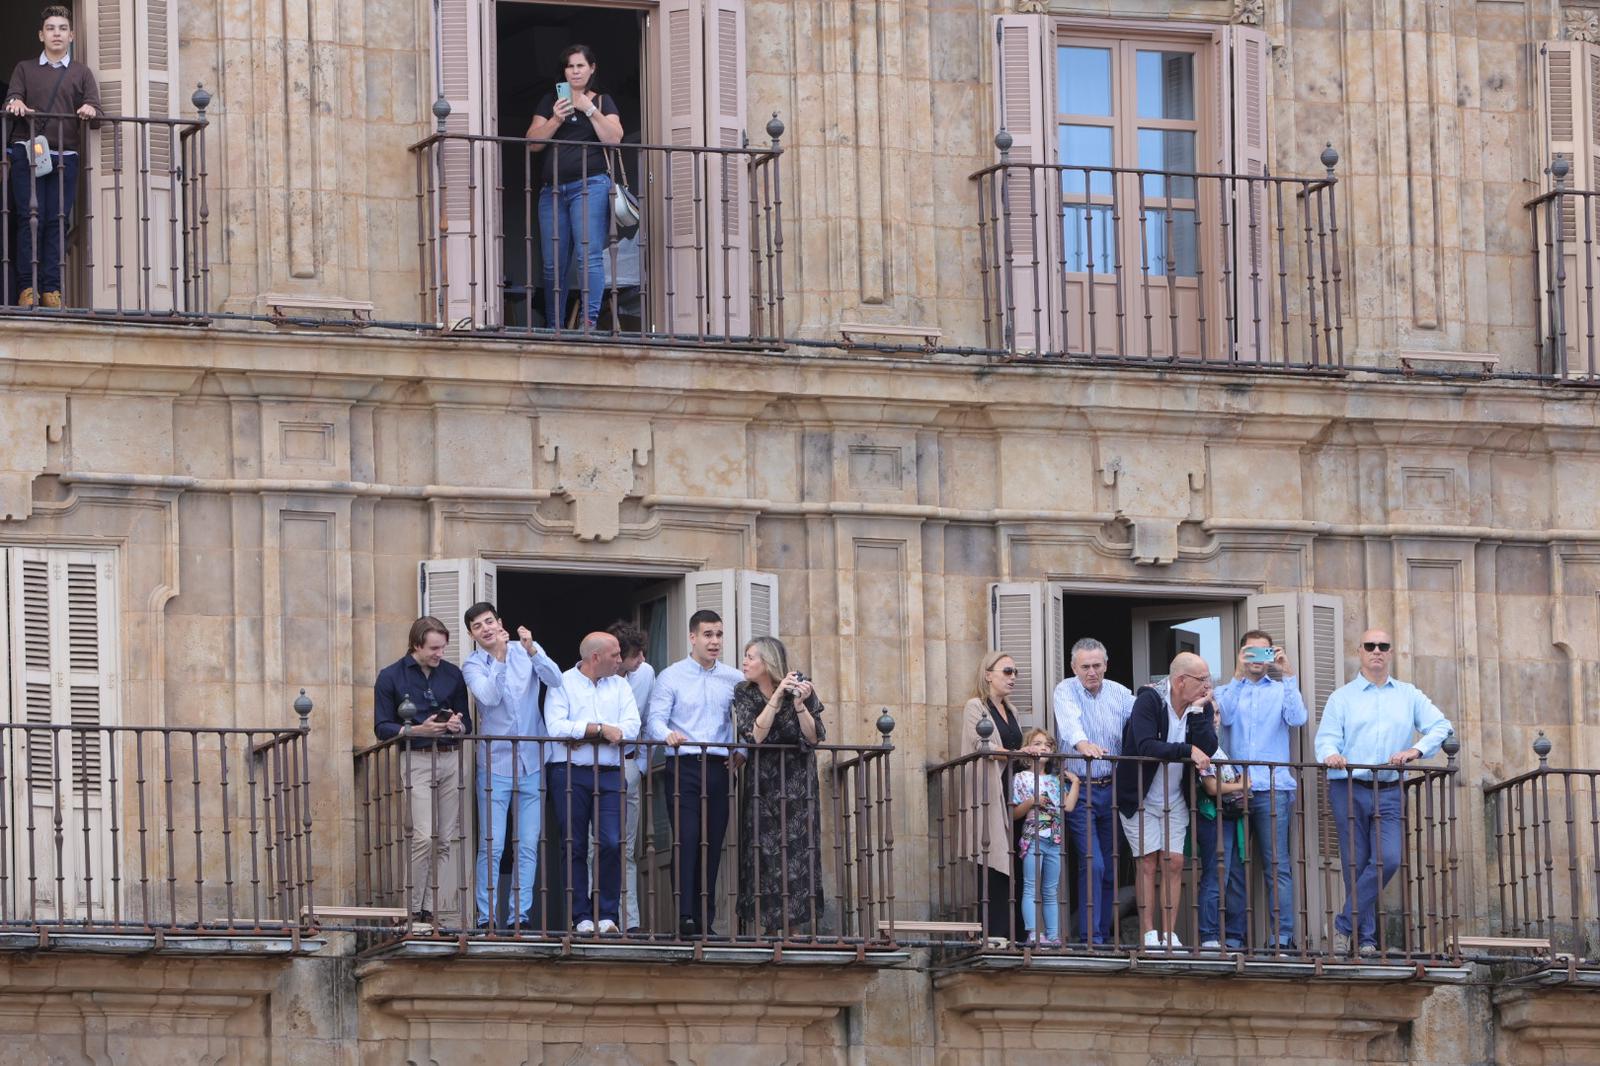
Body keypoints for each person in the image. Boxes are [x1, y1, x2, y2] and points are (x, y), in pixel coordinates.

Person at [1314, 627, 1452, 957]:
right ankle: (1366, 940)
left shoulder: (1408, 695)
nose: (1376, 650)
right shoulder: (1342, 697)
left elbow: (1441, 726)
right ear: (1360, 652)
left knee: (1387, 859)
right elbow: (1326, 739)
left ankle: (1343, 925)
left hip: (1390, 788)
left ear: (1390, 653)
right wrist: (1331, 754)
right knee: (1356, 864)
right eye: (1370, 646)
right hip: (1348, 786)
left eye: (1383, 646)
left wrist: (1414, 752)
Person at [461, 602, 562, 930]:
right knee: (493, 845)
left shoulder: (527, 650)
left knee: (528, 844)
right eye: (478, 626)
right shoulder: (473, 664)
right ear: (473, 635)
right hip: (495, 766)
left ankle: (519, 915)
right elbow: (489, 698)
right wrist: (501, 659)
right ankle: (486, 916)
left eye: (489, 621)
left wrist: (532, 650)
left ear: (500, 622)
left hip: (532, 762)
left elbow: (555, 680)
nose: (486, 628)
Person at [645, 609, 743, 937]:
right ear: (692, 637)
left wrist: (742, 752)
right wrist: (667, 735)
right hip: (683, 765)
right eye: (707, 635)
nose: (714, 641)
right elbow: (655, 719)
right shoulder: (671, 676)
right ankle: (685, 916)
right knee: (686, 839)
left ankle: (706, 920)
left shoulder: (734, 679)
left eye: (718, 635)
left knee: (712, 844)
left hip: (719, 767)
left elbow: (747, 720)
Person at [1115, 653, 1217, 949]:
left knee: (1174, 862)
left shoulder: (1201, 706)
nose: (1207, 686)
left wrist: (1198, 714)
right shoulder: (1149, 700)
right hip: (1141, 796)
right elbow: (1146, 745)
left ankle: (1169, 934)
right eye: (1202, 680)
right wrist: (1187, 749)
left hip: (1176, 798)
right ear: (1180, 680)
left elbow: (1208, 746)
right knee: (1147, 862)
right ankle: (1149, 933)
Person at [373, 616, 471, 925]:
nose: (439, 653)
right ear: (417, 644)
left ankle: (430, 910)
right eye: (434, 648)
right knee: (423, 837)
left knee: (444, 839)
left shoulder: (453, 675)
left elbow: (465, 721)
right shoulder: (390, 676)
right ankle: (411, 909)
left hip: (450, 757)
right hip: (416, 759)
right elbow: (381, 727)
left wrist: (456, 724)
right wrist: (416, 730)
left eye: (443, 647)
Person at [543, 631, 640, 935]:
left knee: (612, 842)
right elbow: (556, 727)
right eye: (615, 655)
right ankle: (580, 917)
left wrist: (583, 734)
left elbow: (632, 728)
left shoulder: (621, 685)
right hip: (569, 772)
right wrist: (600, 730)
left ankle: (608, 915)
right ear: (595, 657)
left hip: (611, 773)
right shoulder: (562, 682)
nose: (619, 660)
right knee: (573, 845)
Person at [1216, 629, 1307, 950]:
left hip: (1273, 788)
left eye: (1263, 653)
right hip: (1234, 789)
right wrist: (1238, 675)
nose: (1257, 659)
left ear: (1272, 655)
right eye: (1250, 653)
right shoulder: (1228, 690)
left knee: (1277, 865)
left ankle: (1282, 936)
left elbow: (1297, 718)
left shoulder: (1282, 690)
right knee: (1236, 867)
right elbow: (1221, 716)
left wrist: (1289, 674)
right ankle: (1236, 936)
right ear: (1242, 654)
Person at [5, 5, 100, 309]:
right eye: (50, 28)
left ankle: (51, 289)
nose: (56, 33)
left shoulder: (81, 72)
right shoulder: (24, 68)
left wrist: (89, 109)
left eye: (62, 28)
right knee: (28, 219)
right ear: (41, 35)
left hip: (65, 156)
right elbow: (12, 98)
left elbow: (96, 111)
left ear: (71, 35)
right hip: (28, 152)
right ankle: (26, 288)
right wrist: (16, 102)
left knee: (55, 221)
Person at [525, 43, 623, 330]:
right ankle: (555, 324)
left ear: (591, 68)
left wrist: (589, 109)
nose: (575, 71)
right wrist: (557, 118)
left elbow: (614, 139)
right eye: (570, 66)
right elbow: (532, 143)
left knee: (588, 256)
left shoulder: (603, 101)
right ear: (564, 72)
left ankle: (588, 322)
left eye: (580, 65)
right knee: (552, 263)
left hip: (590, 185)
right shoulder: (550, 101)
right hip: (552, 191)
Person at [732, 636, 825, 936]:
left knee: (799, 852)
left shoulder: (801, 686)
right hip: (763, 785)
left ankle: (794, 930)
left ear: (767, 662)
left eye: (750, 657)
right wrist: (775, 699)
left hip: (798, 783)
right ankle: (770, 930)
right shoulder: (744, 692)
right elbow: (755, 736)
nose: (744, 662)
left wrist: (799, 704)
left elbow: (814, 737)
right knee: (765, 854)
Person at [1051, 637, 1135, 944]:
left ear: (1106, 665)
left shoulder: (1121, 694)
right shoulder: (1065, 690)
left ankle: (1101, 932)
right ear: (1074, 667)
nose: (1091, 672)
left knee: (1111, 867)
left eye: (1097, 665)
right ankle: (1091, 938)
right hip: (1079, 788)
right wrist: (1081, 743)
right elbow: (1070, 723)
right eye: (1085, 666)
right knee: (1093, 862)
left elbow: (1142, 720)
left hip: (1111, 789)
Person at [961, 651, 1025, 947]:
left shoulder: (1010, 711)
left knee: (1016, 863)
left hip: (1011, 795)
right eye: (1007, 671)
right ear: (988, 674)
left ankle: (1016, 934)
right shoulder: (976, 706)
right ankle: (996, 935)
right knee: (994, 863)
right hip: (989, 793)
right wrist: (1020, 754)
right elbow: (981, 745)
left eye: (1015, 673)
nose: (1013, 677)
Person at [1010, 728, 1079, 947]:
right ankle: (1032, 932)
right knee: (1031, 885)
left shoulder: (1055, 780)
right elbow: (1014, 813)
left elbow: (1067, 807)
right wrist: (1032, 801)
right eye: (1038, 743)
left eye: (1047, 745)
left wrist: (1075, 782)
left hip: (1055, 839)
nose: (1043, 748)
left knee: (1050, 889)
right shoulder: (1021, 778)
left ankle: (1053, 934)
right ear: (1029, 748)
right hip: (1033, 837)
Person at [608, 620, 655, 933]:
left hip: (628, 766)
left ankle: (631, 922)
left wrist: (641, 764)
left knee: (626, 849)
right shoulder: (594, 680)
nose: (641, 661)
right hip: (595, 767)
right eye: (635, 655)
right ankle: (596, 920)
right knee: (594, 847)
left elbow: (650, 719)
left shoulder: (646, 674)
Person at [1194, 704, 1247, 951]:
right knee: (1216, 877)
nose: (1213, 718)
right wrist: (1241, 786)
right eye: (1208, 713)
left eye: (1216, 713)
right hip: (1212, 816)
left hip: (1230, 817)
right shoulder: (1203, 748)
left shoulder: (1220, 748)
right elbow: (1211, 787)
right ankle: (1209, 937)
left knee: (1235, 876)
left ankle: (1234, 937)